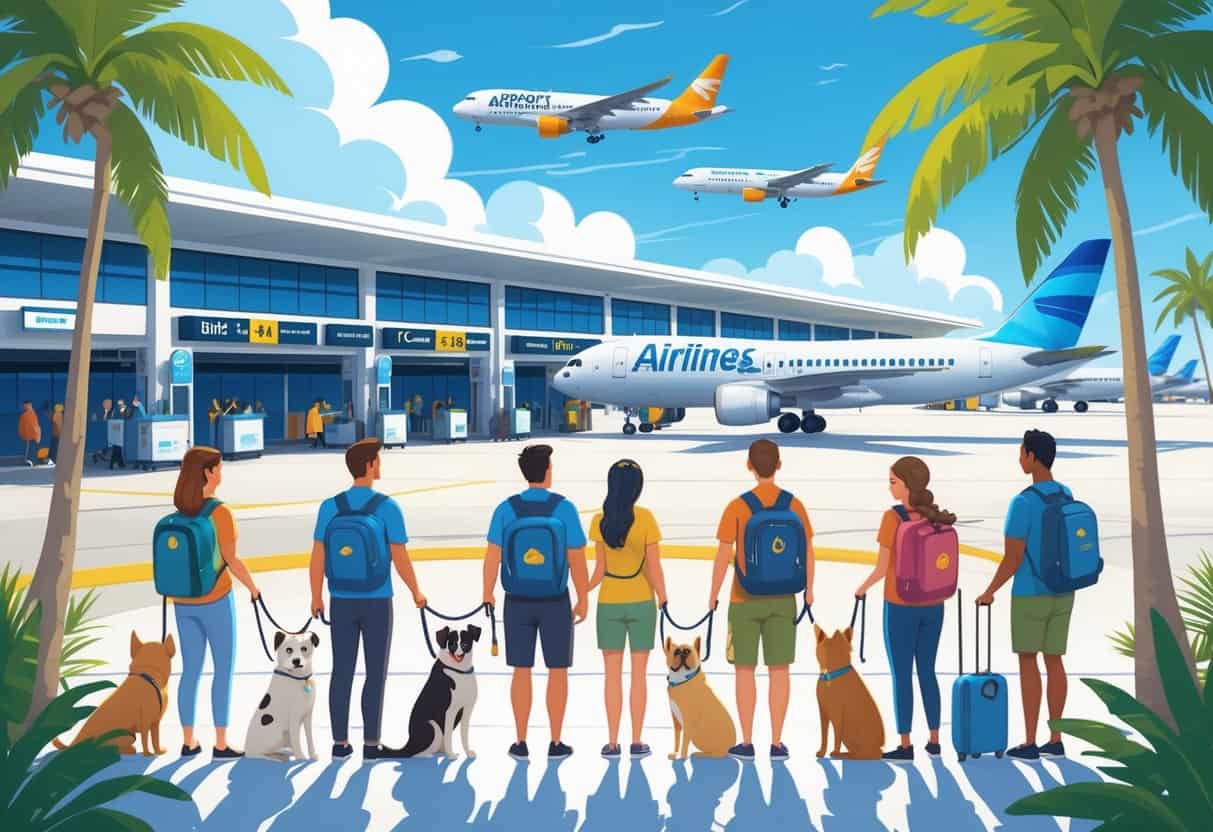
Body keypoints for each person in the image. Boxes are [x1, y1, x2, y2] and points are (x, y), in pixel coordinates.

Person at [310, 438, 426, 760]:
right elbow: (400, 557)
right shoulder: (387, 507)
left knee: (341, 671)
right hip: (377, 600)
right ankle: (371, 743)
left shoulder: (330, 506)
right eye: (378, 459)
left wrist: (315, 595)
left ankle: (339, 743)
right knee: (375, 673)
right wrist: (416, 591)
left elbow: (317, 556)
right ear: (370, 466)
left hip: (341, 599)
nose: (381, 465)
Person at [708, 438, 815, 762]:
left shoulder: (737, 507)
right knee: (779, 670)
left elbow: (723, 555)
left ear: (749, 466)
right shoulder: (794, 505)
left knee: (745, 670)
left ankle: (747, 740)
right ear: (779, 465)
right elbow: (808, 552)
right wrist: (809, 590)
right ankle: (778, 742)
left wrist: (712, 595)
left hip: (744, 598)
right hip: (784, 598)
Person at [483, 444, 589, 761]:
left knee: (521, 670)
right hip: (555, 599)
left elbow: (492, 557)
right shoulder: (564, 509)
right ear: (547, 470)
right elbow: (577, 559)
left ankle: (520, 741)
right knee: (558, 671)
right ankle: (556, 742)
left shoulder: (506, 509)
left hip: (516, 600)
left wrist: (487, 591)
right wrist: (583, 596)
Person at [977, 429, 1073, 760]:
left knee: (1029, 661)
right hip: (1063, 590)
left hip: (1031, 593)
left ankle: (1030, 741)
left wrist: (989, 591)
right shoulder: (1066, 493)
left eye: (1022, 453)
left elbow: (1013, 558)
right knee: (1055, 660)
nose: (1019, 459)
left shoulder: (1023, 503)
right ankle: (1056, 737)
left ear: (1032, 457)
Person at [854, 456, 956, 762]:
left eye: (893, 482)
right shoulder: (936, 515)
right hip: (934, 604)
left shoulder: (894, 517)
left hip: (900, 605)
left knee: (902, 674)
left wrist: (862, 588)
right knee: (927, 670)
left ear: (907, 485)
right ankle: (935, 740)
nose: (890, 487)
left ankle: (905, 743)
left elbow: (882, 568)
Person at [171, 446, 260, 758]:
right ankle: (220, 743)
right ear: (208, 472)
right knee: (223, 670)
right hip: (216, 600)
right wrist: (253, 588)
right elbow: (231, 559)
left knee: (190, 670)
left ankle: (188, 740)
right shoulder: (220, 513)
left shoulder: (180, 512)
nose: (221, 473)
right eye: (219, 468)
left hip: (182, 601)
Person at [587, 459, 668, 759]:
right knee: (638, 675)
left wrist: (580, 593)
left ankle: (611, 742)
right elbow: (653, 568)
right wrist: (662, 595)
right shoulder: (646, 519)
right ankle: (636, 740)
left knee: (611, 676)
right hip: (641, 604)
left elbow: (598, 571)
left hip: (608, 602)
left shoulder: (599, 521)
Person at [18, 401, 40, 467]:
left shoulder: (29, 414)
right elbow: (22, 426)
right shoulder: (30, 414)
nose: (25, 407)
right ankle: (32, 461)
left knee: (31, 449)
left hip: (31, 436)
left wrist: (37, 435)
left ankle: (31, 461)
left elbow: (35, 426)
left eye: (26, 406)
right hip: (31, 436)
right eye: (24, 406)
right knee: (32, 448)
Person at [109, 400, 127, 469]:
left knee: (117, 448)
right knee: (117, 449)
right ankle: (115, 463)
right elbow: (123, 416)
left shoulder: (115, 411)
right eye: (121, 405)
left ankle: (120, 463)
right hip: (118, 432)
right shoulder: (119, 410)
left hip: (115, 432)